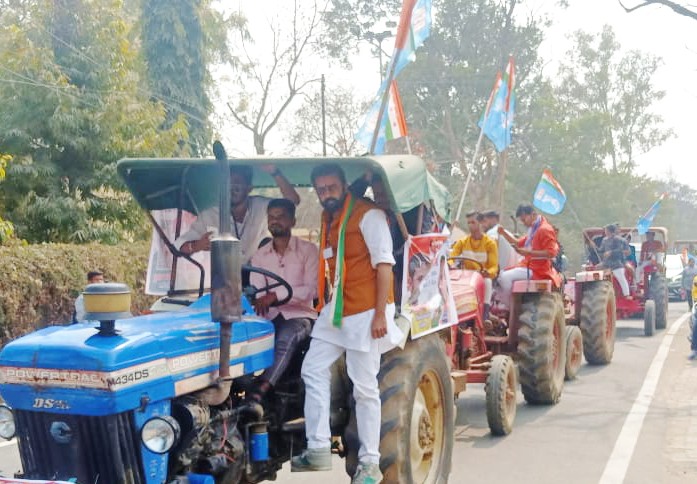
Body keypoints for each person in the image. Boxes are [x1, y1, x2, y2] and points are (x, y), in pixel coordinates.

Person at [291, 164, 402, 484]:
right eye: (321, 189)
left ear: (344, 186)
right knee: (312, 369)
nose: (326, 193)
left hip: (366, 309)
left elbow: (384, 267)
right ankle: (318, 448)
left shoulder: (369, 215)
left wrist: (381, 314)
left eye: (331, 187)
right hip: (336, 309)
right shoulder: (329, 218)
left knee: (364, 386)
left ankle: (369, 463)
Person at [247, 199, 319, 402]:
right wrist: (263, 298)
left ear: (293, 221)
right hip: (268, 316)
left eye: (281, 217)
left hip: (300, 315)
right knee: (242, 335)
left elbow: (312, 289)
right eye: (271, 217)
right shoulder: (259, 256)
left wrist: (275, 295)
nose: (275, 221)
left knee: (286, 336)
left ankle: (262, 389)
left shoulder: (309, 250)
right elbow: (258, 292)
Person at [174, 165, 300, 262]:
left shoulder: (260, 205)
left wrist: (275, 172)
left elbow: (292, 201)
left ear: (249, 188)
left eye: (237, 187)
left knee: (268, 243)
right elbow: (178, 246)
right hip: (223, 278)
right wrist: (197, 245)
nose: (231, 191)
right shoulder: (209, 216)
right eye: (227, 187)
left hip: (258, 273)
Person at [496, 204, 560, 310]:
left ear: (533, 215)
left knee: (504, 277)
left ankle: (509, 307)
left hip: (538, 269)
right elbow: (517, 242)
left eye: (524, 219)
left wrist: (527, 253)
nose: (523, 223)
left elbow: (551, 253)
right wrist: (503, 233)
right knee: (501, 274)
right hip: (528, 265)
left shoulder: (544, 229)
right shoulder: (533, 229)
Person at [450, 211, 498, 320]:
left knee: (487, 282)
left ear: (481, 223)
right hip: (465, 278)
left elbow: (494, 267)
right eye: (468, 223)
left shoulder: (490, 243)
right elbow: (452, 258)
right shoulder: (462, 242)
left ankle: (484, 316)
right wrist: (450, 264)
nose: (470, 225)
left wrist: (488, 273)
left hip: (481, 277)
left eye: (473, 222)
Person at [596, 224, 631, 298]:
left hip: (616, 262)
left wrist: (611, 252)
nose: (605, 231)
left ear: (609, 231)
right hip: (606, 263)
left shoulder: (618, 239)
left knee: (621, 278)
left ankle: (626, 294)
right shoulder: (604, 240)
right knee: (596, 270)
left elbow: (620, 250)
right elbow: (601, 250)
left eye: (606, 230)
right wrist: (594, 247)